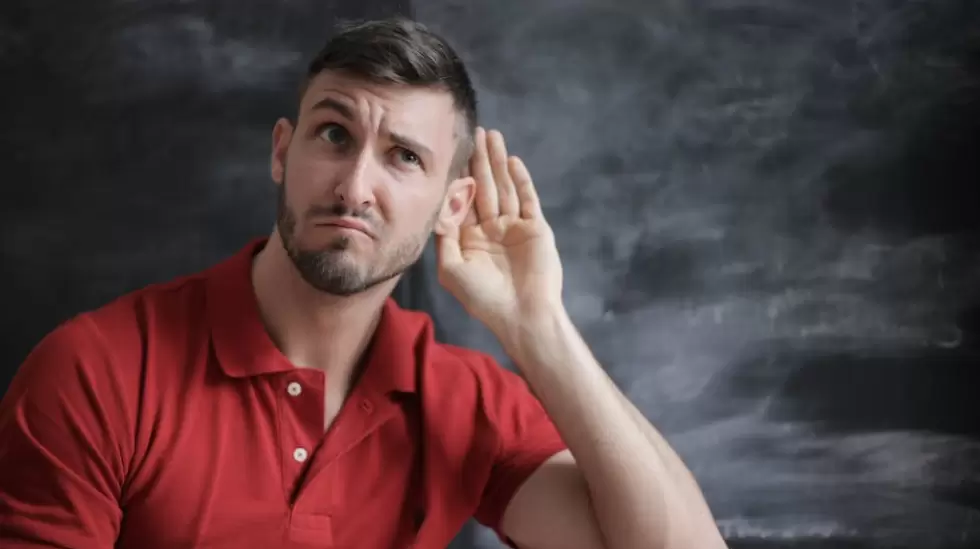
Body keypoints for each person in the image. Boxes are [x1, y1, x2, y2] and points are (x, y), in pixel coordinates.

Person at [0, 17, 727, 549]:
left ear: (452, 204)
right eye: (335, 135)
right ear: (283, 152)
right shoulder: (95, 370)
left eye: (404, 156)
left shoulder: (463, 403)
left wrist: (539, 327)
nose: (355, 186)